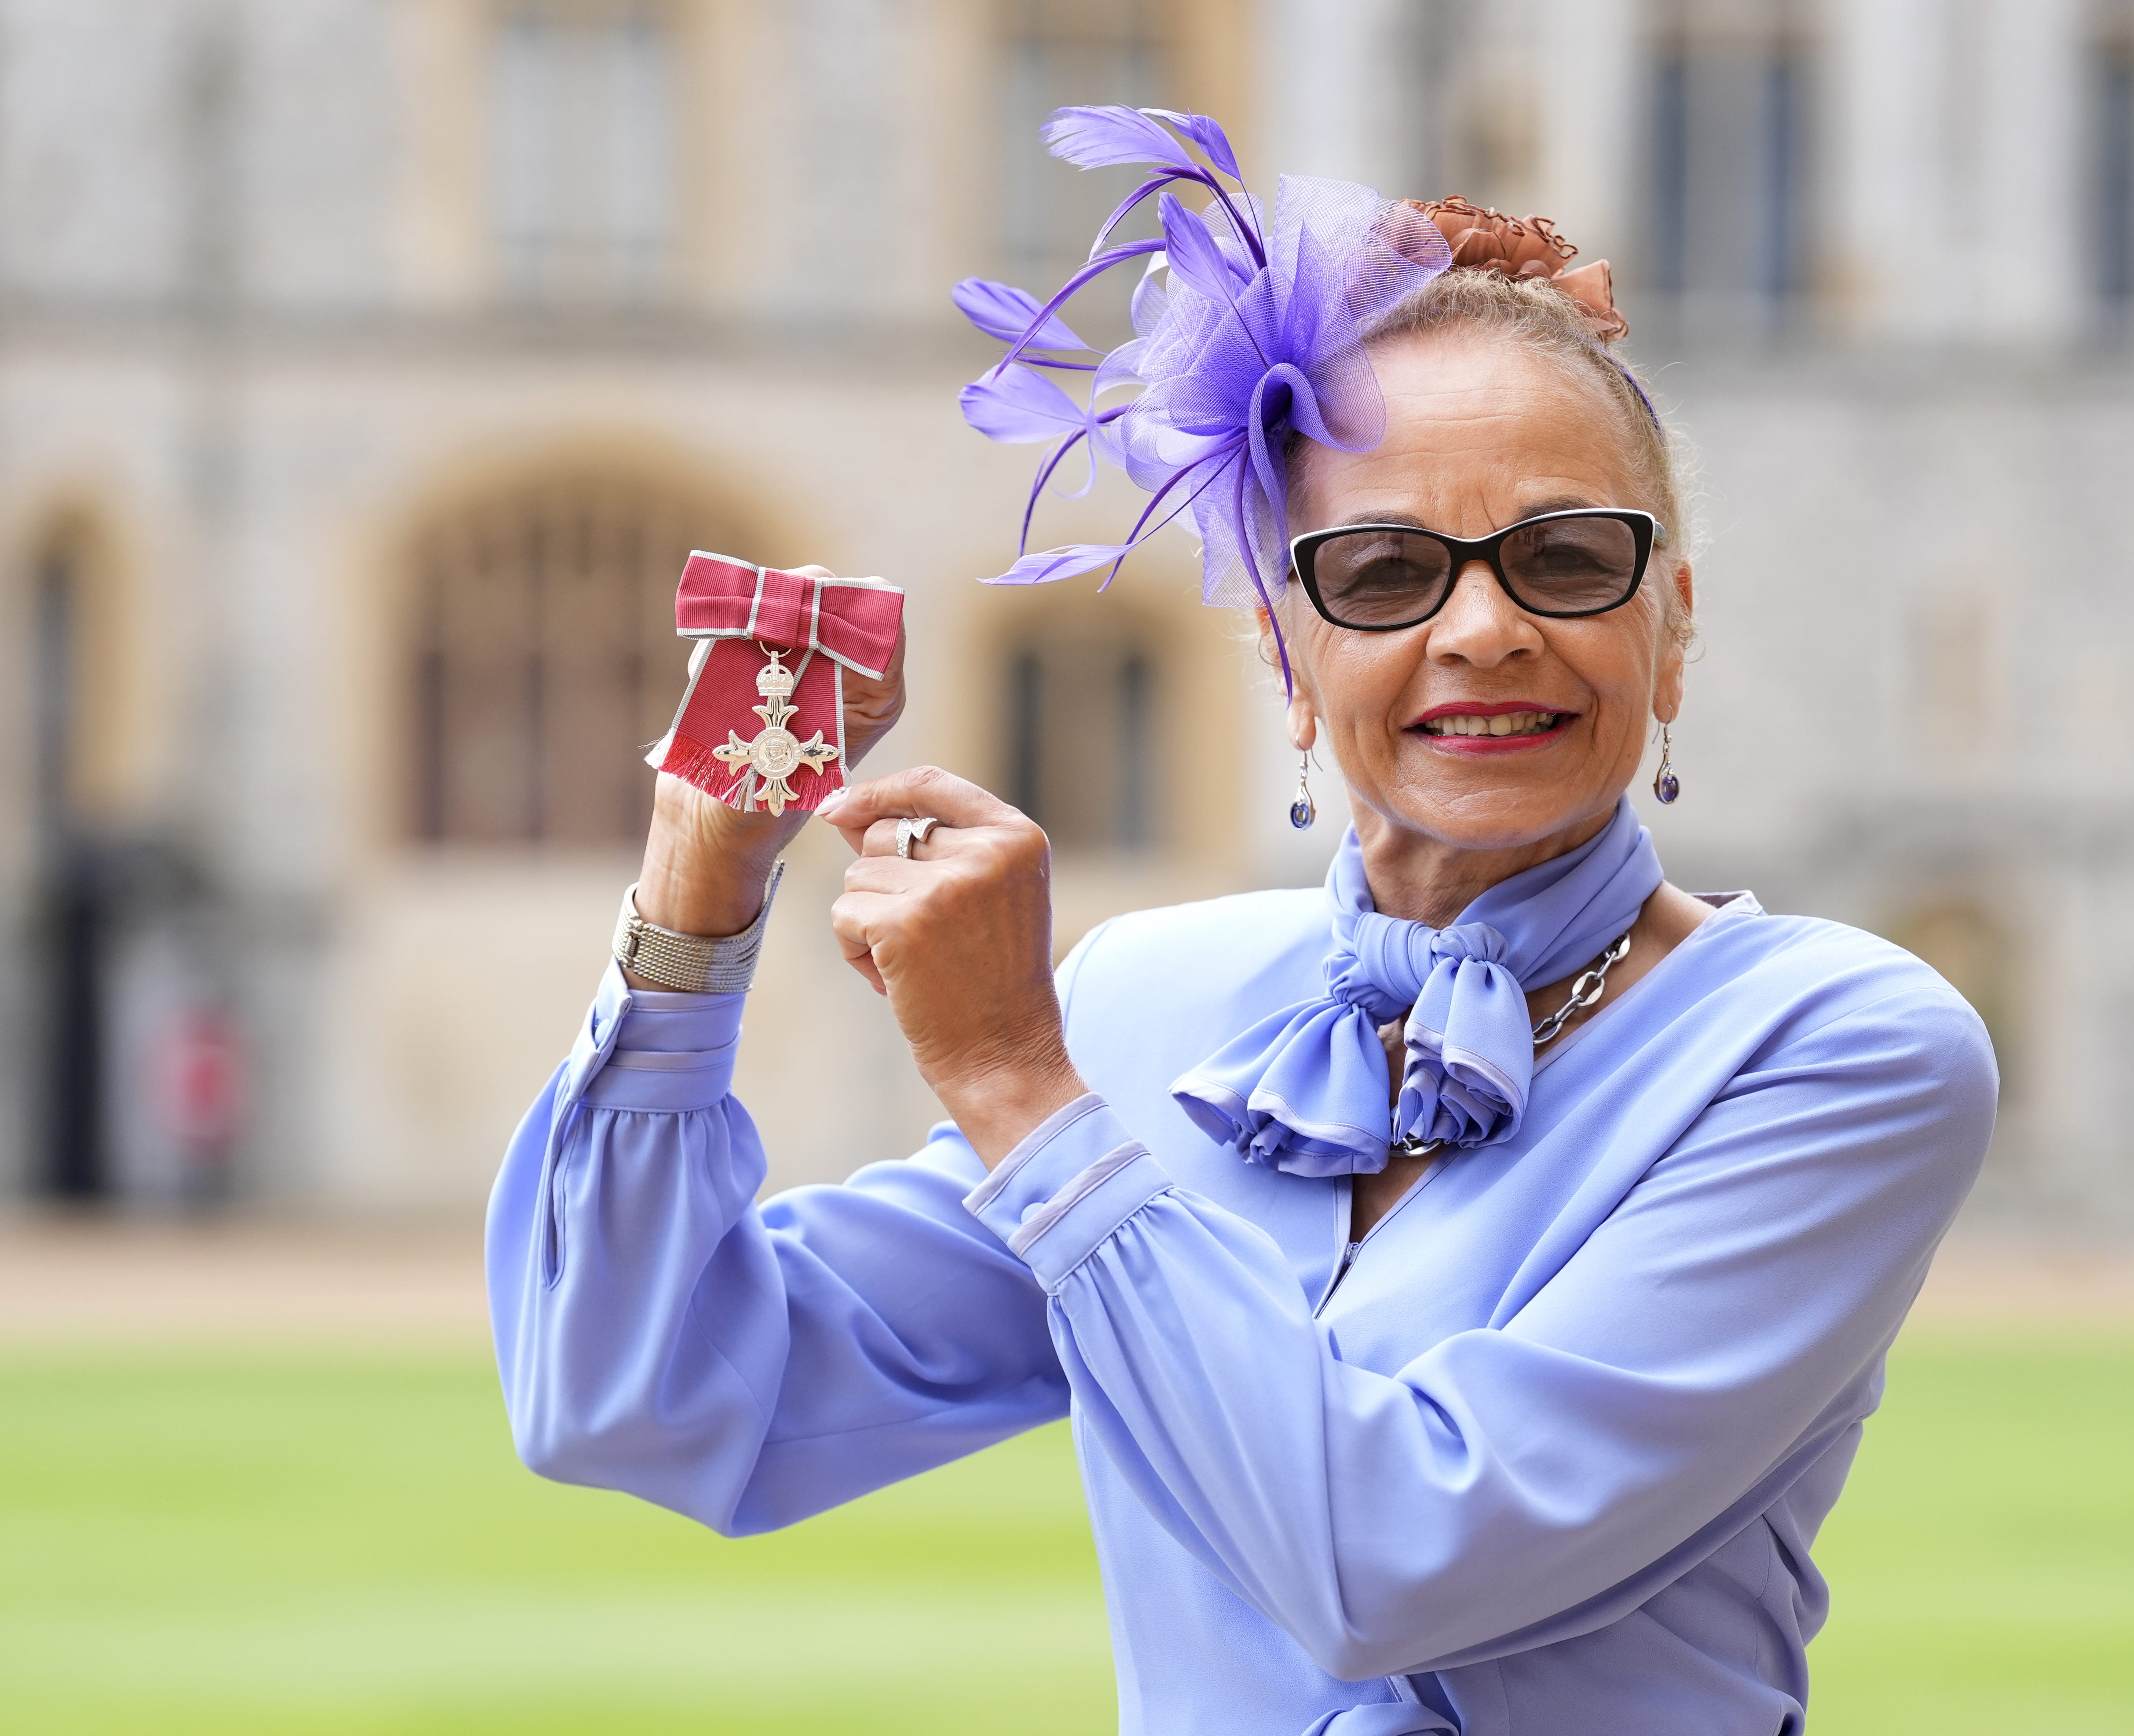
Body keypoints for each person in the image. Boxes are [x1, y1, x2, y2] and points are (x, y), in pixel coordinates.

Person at [488, 109, 1995, 1736]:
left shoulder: (1841, 1046)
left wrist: (1015, 1079)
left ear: (1672, 629)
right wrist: (697, 894)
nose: (1484, 629)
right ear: (1286, 657)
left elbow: (1396, 1562)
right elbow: (643, 1398)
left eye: (1565, 557)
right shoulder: (1159, 1003)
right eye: (1384, 569)